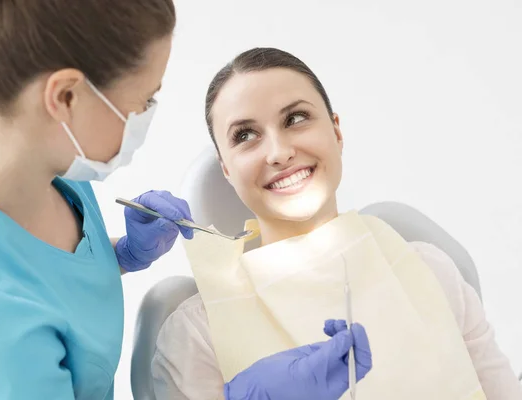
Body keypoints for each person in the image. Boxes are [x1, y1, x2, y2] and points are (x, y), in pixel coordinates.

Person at [0, 2, 371, 400]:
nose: (279, 152)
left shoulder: (35, 157)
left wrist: (117, 253)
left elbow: (44, 269)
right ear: (65, 97)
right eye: (144, 98)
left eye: (295, 118)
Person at [151, 47, 522, 399]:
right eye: (245, 136)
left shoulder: (430, 271)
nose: (279, 152)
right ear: (227, 170)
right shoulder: (197, 334)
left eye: (295, 118)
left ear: (337, 131)